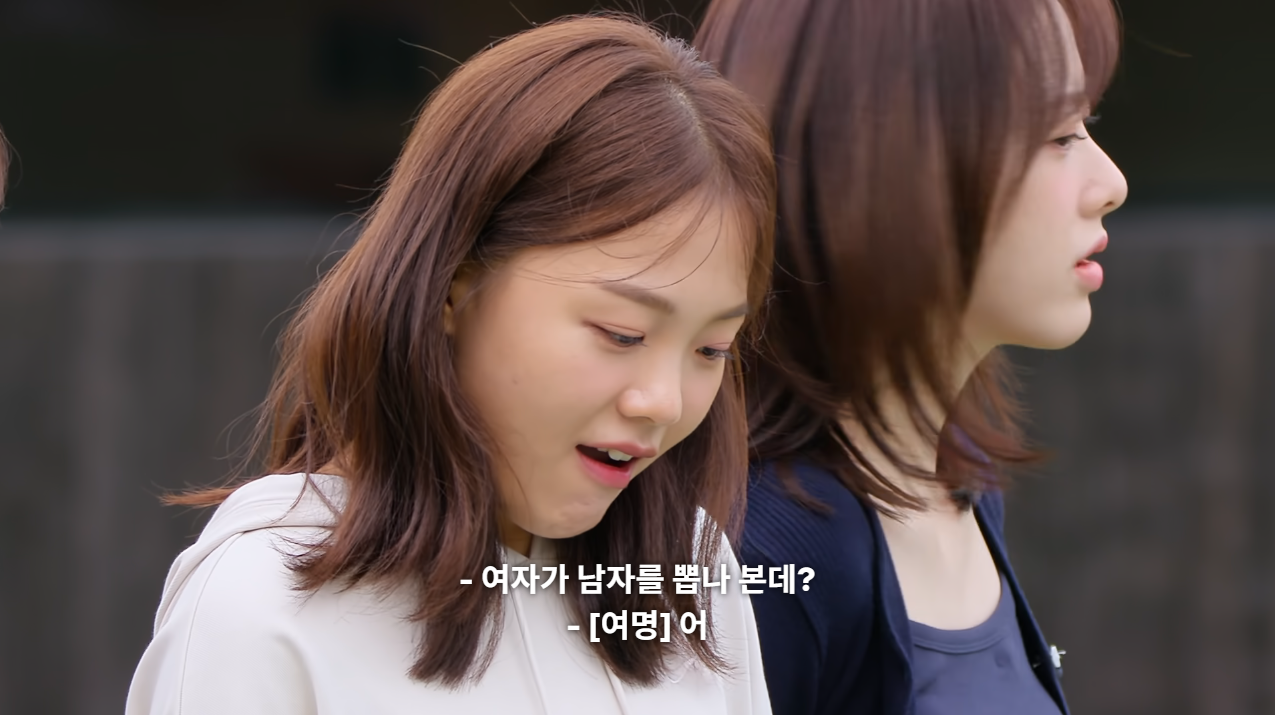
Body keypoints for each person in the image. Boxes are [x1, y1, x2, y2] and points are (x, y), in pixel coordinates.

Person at [125, 15, 777, 714]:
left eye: (712, 349)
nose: (664, 401)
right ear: (453, 285)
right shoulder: (262, 606)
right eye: (622, 334)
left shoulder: (686, 577)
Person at [695, 0, 1128, 713]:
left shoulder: (959, 476)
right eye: (1057, 135)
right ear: (881, 163)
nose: (1111, 183)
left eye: (1088, 124)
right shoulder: (762, 552)